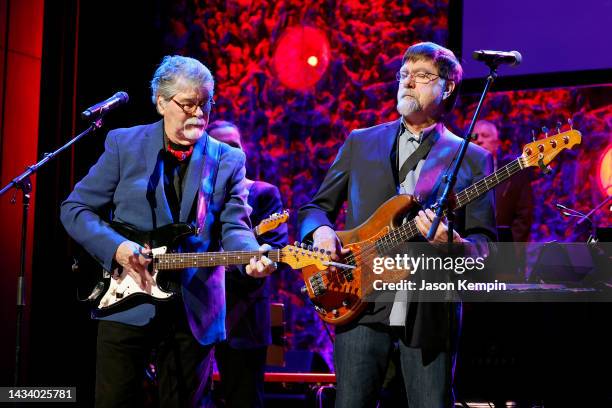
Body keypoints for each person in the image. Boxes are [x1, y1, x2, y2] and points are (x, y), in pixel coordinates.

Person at [60, 55, 276, 408]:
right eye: (188, 104)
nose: (198, 113)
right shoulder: (123, 144)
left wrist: (251, 257)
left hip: (194, 309)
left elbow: (236, 225)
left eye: (205, 103)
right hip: (126, 301)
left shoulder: (228, 159)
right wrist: (117, 248)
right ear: (161, 102)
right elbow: (74, 208)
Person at [298, 42, 496, 407]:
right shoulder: (360, 142)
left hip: (429, 310)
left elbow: (484, 248)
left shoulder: (473, 158)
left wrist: (455, 245)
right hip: (359, 302)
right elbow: (314, 208)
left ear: (447, 87)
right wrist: (321, 231)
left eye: (422, 76)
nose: (408, 83)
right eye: (404, 75)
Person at [208, 120, 288, 408]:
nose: (230, 153)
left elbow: (276, 251)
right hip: (195, 315)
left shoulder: (263, 193)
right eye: (221, 147)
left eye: (235, 146)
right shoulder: (195, 197)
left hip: (243, 320)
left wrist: (244, 261)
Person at [473, 119, 533, 243]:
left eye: (485, 135)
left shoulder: (516, 173)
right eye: (474, 137)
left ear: (497, 143)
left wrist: (511, 252)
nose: (479, 140)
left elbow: (524, 216)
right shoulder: (460, 174)